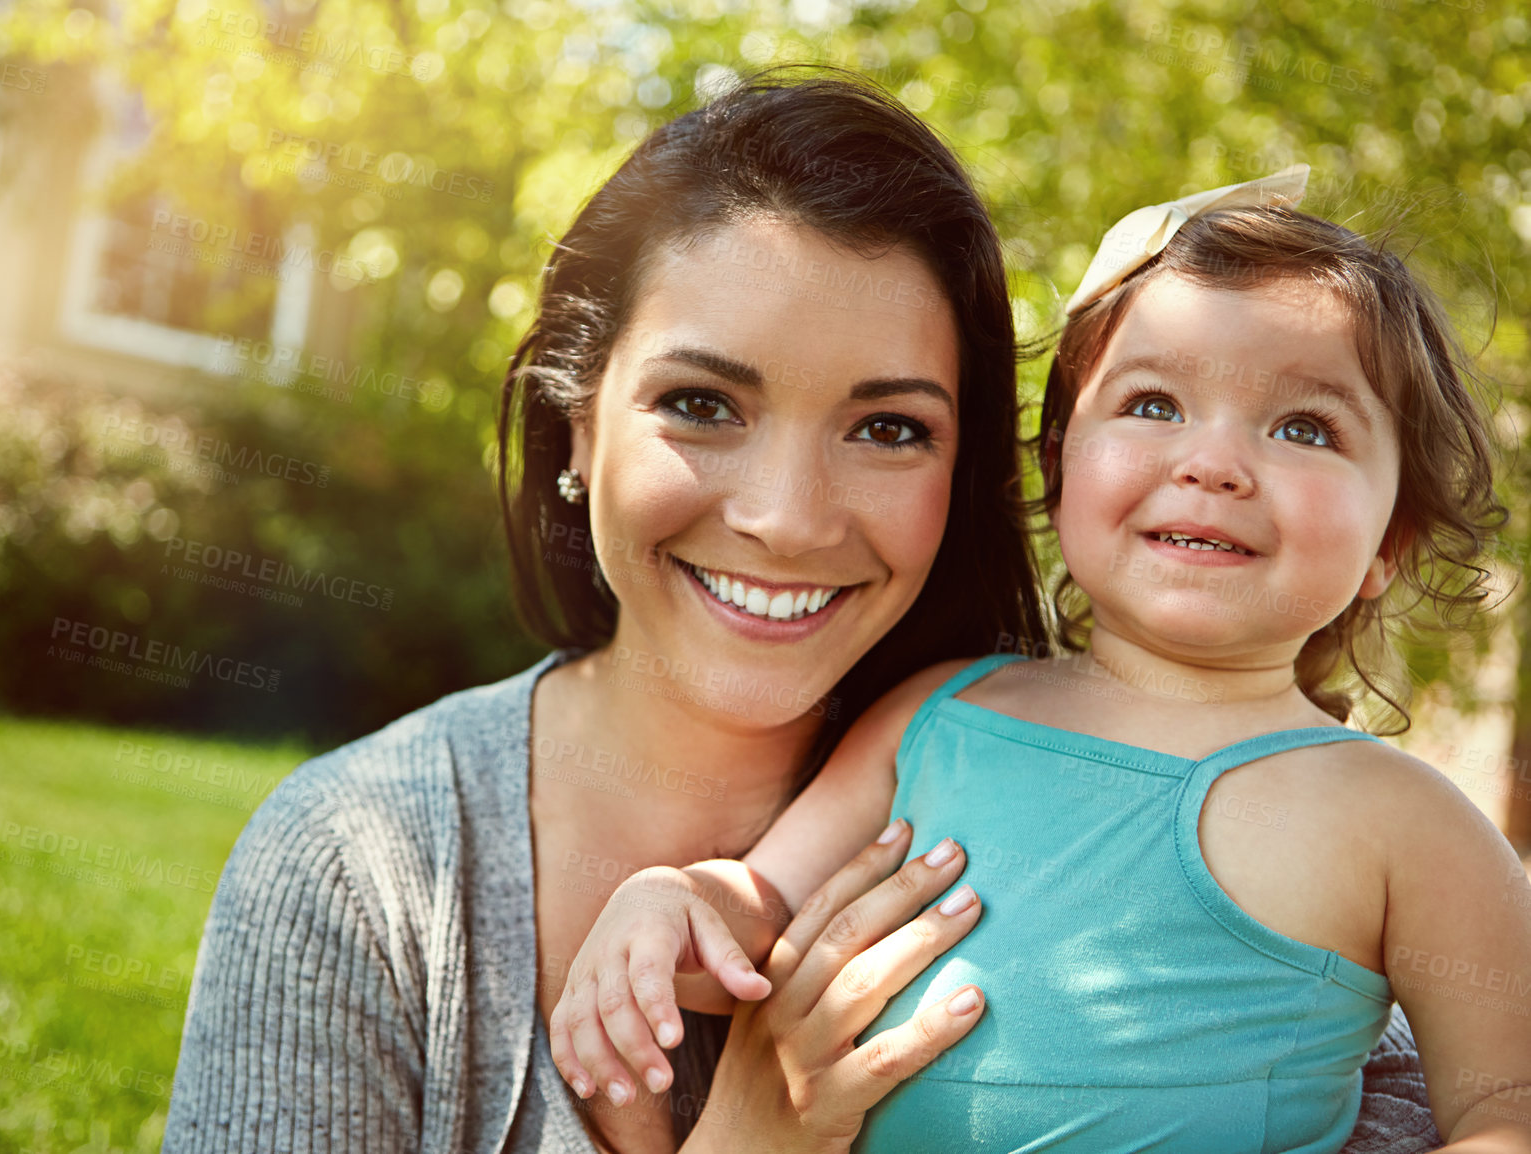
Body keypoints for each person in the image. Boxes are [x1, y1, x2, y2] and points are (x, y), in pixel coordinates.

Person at [163, 75, 1439, 1154]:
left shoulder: (1180, 821)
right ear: (574, 421)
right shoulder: (362, 869)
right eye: (702, 404)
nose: (785, 516)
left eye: (888, 428)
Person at [549, 170, 1525, 1152]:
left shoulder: (1408, 823)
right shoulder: (939, 711)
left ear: (1387, 542)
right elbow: (759, 915)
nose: (1213, 462)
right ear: (1058, 466)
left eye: (1303, 427)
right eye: (1152, 404)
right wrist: (674, 901)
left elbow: (1507, 1110)